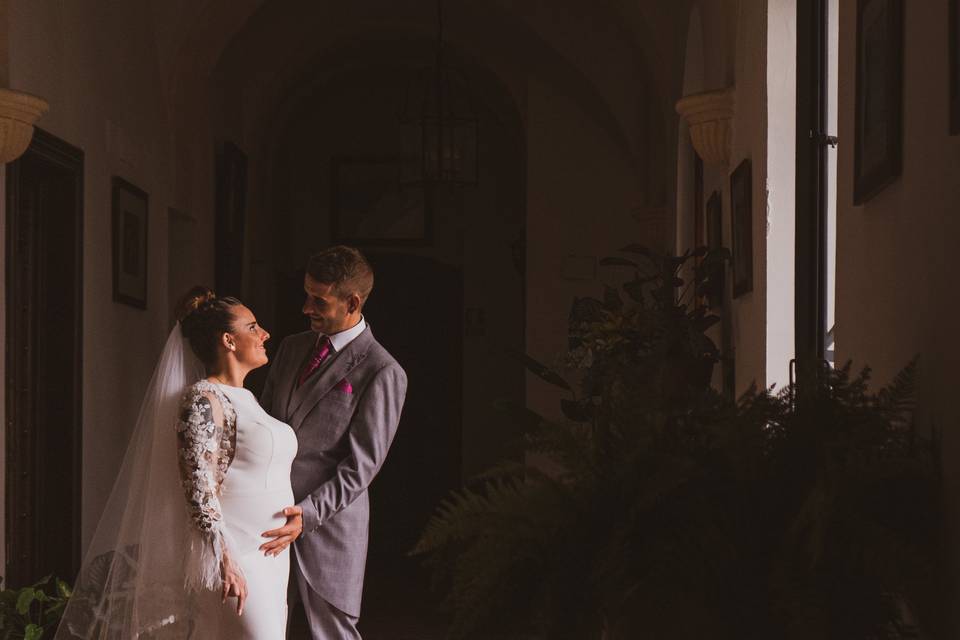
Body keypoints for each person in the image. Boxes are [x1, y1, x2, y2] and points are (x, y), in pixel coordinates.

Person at [55, 288, 298, 639]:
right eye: (253, 326)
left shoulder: (248, 399)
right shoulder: (202, 399)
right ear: (229, 340)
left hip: (272, 557)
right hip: (235, 557)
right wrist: (223, 559)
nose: (265, 334)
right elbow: (198, 487)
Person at [259, 246, 407, 639]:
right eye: (306, 294)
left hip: (327, 526)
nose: (306, 307)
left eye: (318, 299)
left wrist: (304, 516)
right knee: (261, 626)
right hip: (266, 520)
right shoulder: (290, 349)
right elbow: (264, 427)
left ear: (352, 302)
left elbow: (361, 468)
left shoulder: (382, 370)